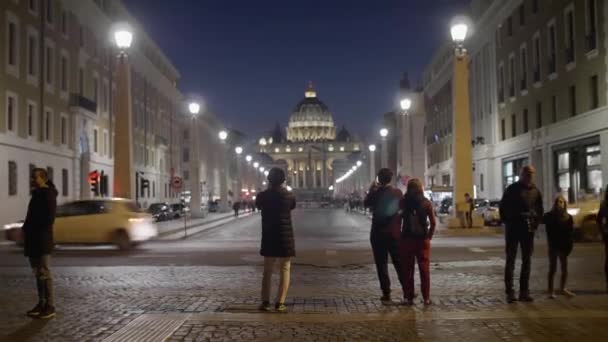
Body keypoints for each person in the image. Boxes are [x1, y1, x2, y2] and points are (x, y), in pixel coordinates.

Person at [499, 165, 543, 303]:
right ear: (521, 174)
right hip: (513, 228)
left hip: (528, 229)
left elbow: (539, 209)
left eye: (531, 174)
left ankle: (524, 291)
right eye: (526, 173)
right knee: (510, 260)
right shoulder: (512, 189)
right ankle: (510, 292)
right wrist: (508, 221)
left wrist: (535, 223)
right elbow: (503, 207)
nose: (529, 176)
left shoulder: (536, 191)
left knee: (527, 260)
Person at [255, 168, 296, 313]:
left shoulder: (263, 196)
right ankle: (280, 302)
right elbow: (292, 206)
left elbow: (258, 205)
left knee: (267, 270)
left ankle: (265, 302)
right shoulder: (288, 195)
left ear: (269, 180)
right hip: (285, 236)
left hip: (269, 235)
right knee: (285, 269)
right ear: (283, 180)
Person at [363, 168, 405, 304]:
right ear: (391, 178)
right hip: (394, 233)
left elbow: (366, 203)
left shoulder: (375, 193)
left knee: (381, 265)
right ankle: (407, 290)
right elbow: (403, 208)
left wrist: (371, 188)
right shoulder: (397, 193)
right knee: (399, 263)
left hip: (378, 234)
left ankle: (386, 293)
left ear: (379, 179)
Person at [22, 168, 58, 319]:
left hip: (42, 238)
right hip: (33, 239)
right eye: (31, 177)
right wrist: (26, 228)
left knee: (44, 272)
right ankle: (41, 303)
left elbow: (49, 218)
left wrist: (33, 227)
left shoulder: (47, 194)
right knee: (38, 273)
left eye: (34, 178)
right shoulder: (37, 193)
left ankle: (50, 305)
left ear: (43, 178)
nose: (32, 180)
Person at [400, 178, 436, 306]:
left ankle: (408, 297)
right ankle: (426, 298)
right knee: (424, 269)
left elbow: (398, 219)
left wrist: (401, 236)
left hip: (407, 239)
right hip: (422, 240)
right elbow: (433, 222)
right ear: (421, 188)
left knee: (407, 269)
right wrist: (429, 236)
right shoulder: (426, 202)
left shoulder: (403, 202)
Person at [543, 195, 575, 298]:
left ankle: (562, 288)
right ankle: (550, 291)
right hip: (553, 246)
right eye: (558, 202)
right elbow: (540, 220)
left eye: (561, 202)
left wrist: (569, 246)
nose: (559, 204)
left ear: (564, 204)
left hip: (563, 246)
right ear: (555, 204)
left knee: (564, 269)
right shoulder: (549, 216)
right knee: (552, 269)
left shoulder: (568, 217)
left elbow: (570, 233)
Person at [596, 185, 608, 293]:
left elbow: (599, 219)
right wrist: (603, 231)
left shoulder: (604, 204)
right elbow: (599, 219)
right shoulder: (604, 204)